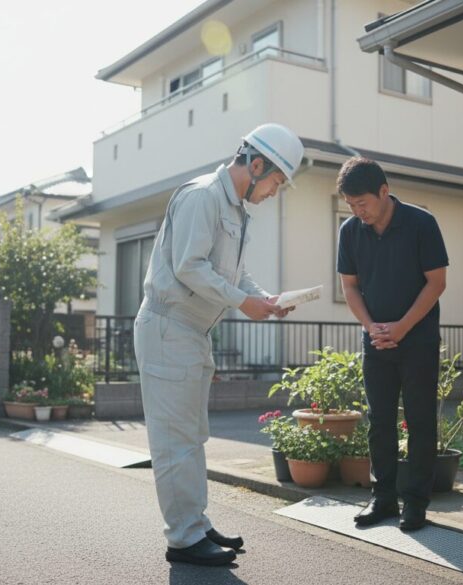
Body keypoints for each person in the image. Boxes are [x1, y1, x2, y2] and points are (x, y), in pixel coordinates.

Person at [133, 123, 303, 565]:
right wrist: (242, 302)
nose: (273, 192)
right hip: (170, 326)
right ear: (256, 164)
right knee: (175, 440)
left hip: (191, 331)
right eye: (276, 182)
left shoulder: (235, 211)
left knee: (191, 436)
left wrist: (262, 299)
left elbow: (231, 275)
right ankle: (184, 539)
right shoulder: (202, 196)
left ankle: (195, 523)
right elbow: (189, 268)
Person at [336, 157, 448, 532]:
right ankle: (382, 497)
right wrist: (371, 327)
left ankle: (415, 503)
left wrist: (401, 327)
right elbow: (349, 286)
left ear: (384, 191)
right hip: (376, 342)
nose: (357, 211)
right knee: (379, 421)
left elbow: (436, 282)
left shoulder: (421, 223)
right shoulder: (350, 231)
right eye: (350, 205)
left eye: (362, 202)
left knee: (420, 421)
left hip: (417, 340)